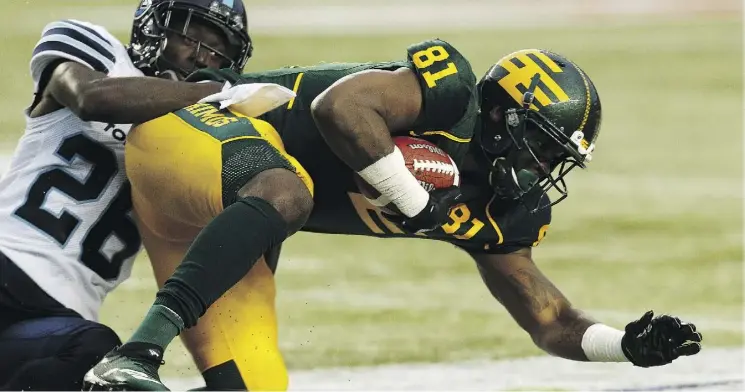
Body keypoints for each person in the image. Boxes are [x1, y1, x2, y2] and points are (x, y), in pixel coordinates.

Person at [85, 40, 702, 391]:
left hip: (228, 221)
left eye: (557, 159)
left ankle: (96, 384)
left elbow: (548, 320)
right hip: (195, 134)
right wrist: (415, 201)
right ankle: (135, 354)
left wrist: (625, 345)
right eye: (542, 145)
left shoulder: (507, 209)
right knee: (289, 191)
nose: (544, 169)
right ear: (501, 114)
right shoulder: (449, 93)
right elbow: (340, 108)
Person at [0, 0, 252, 389]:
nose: (200, 55)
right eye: (189, 35)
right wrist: (208, 94)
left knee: (99, 359)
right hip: (8, 260)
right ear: (152, 28)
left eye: (217, 50)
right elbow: (90, 97)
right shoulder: (98, 53)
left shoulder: (203, 138)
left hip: (64, 315)